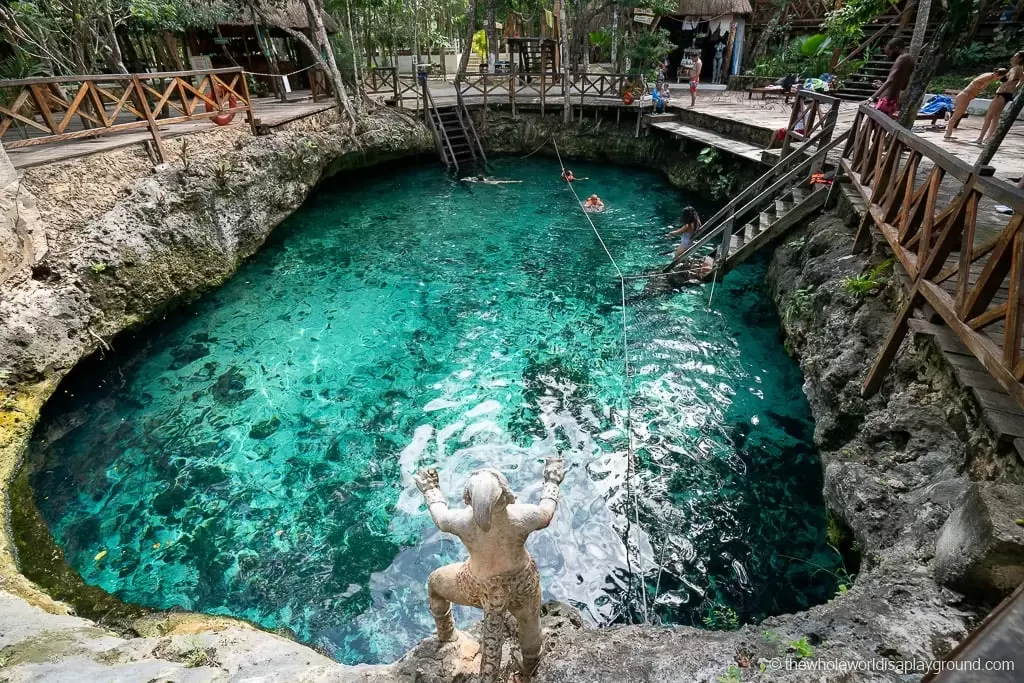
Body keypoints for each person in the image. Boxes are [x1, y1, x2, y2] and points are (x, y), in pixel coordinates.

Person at [943, 69, 1007, 138]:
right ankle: (947, 134)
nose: (998, 80)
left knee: (958, 115)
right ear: (997, 74)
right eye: (999, 77)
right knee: (956, 116)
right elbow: (975, 81)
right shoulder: (988, 76)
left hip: (966, 97)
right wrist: (980, 87)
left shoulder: (990, 76)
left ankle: (948, 133)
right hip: (965, 96)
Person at [977, 51, 1023, 145]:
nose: (1012, 58)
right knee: (995, 117)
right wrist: (1015, 88)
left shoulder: (1015, 69)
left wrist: (1008, 85)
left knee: (989, 116)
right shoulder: (1020, 69)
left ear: (1020, 59)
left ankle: (980, 138)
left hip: (1002, 94)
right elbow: (1021, 80)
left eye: (1015, 56)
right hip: (1007, 95)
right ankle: (988, 138)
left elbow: (1011, 79)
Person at [870, 38, 915, 118]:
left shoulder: (901, 58)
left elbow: (890, 80)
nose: (889, 57)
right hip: (893, 101)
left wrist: (871, 98)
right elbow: (903, 84)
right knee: (879, 128)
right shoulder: (911, 60)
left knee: (873, 125)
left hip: (886, 101)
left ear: (896, 48)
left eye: (889, 53)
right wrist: (882, 85)